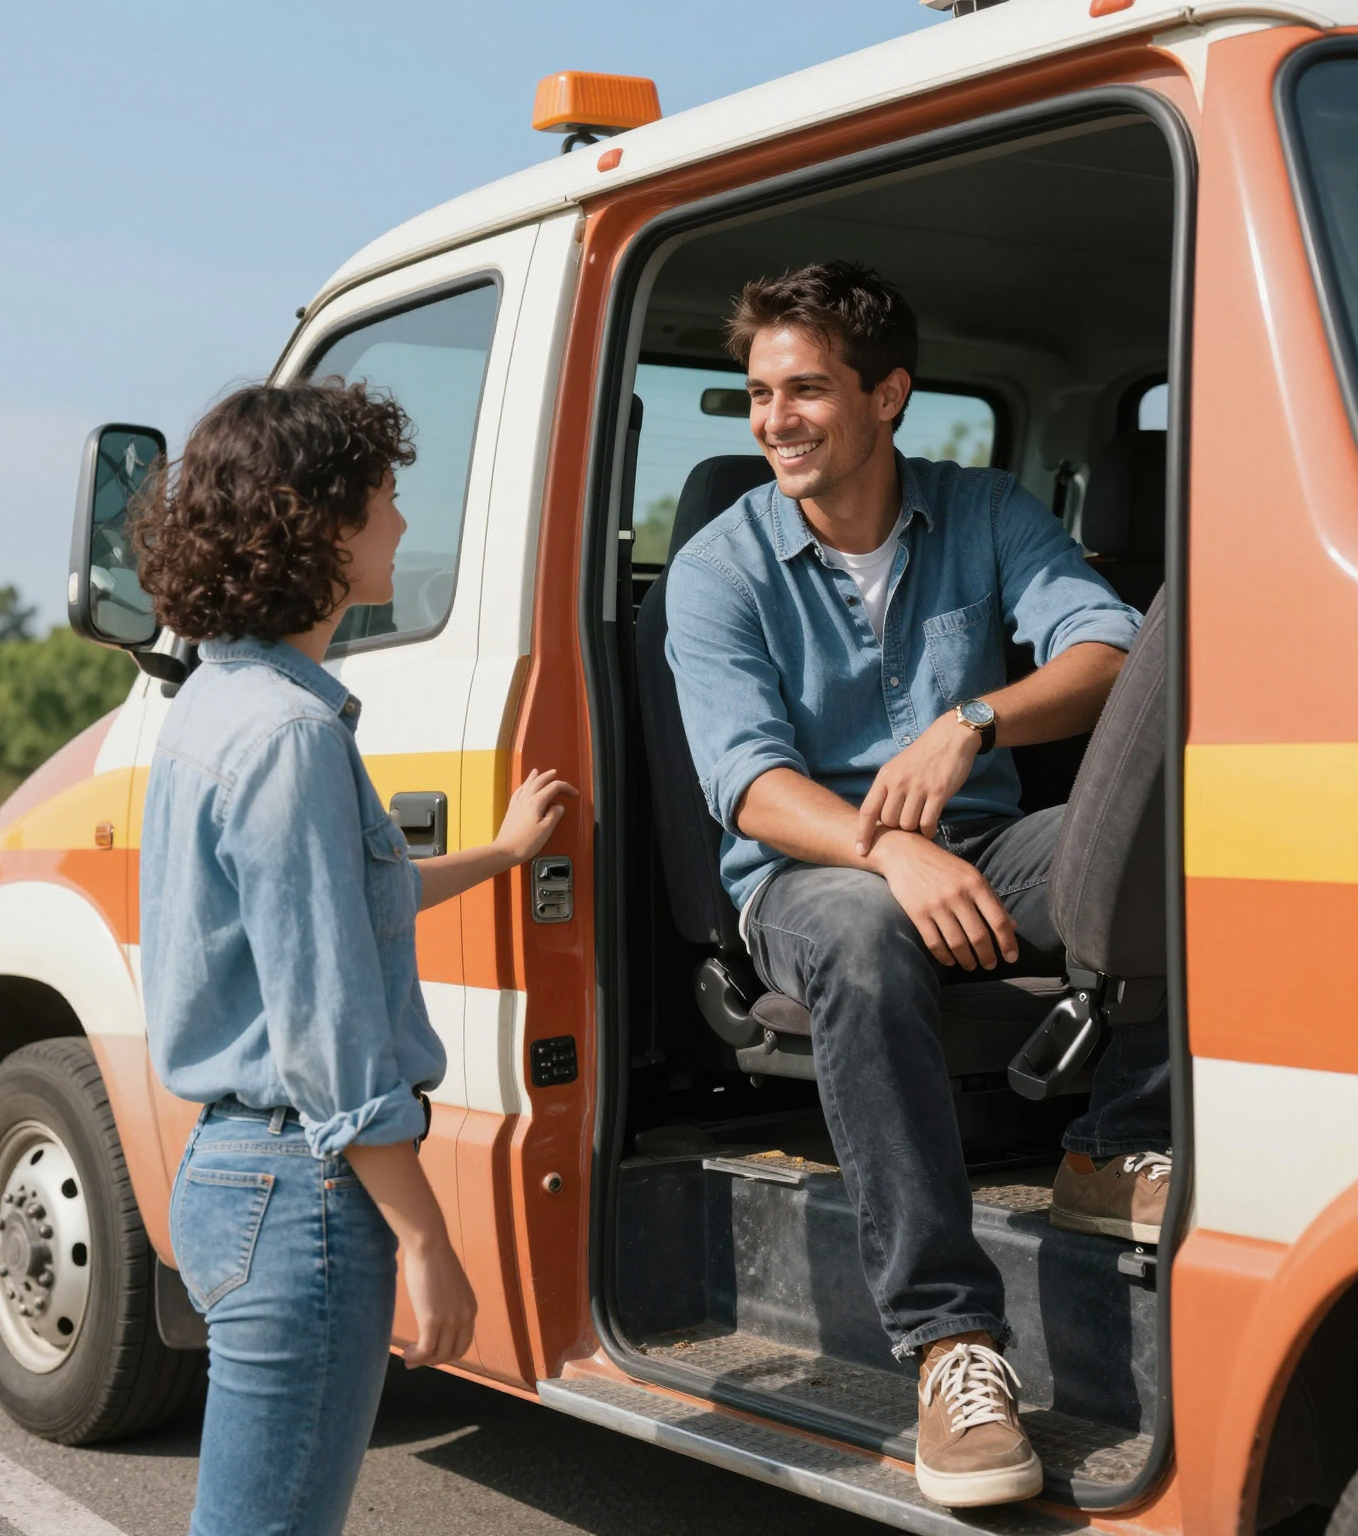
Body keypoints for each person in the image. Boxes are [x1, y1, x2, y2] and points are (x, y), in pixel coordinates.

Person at [663, 262, 1171, 1509]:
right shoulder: (720, 567)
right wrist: (887, 847)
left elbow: (1109, 646)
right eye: (760, 393)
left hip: (982, 845)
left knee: (1184, 836)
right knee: (861, 932)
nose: (775, 418)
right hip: (802, 876)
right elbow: (746, 785)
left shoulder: (984, 509)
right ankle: (953, 1345)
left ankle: (1115, 1147)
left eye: (808, 391)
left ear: (888, 396)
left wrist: (973, 720)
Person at [133, 381, 576, 1536]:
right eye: (384, 498)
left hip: (238, 1173)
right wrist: (429, 1240)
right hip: (303, 1197)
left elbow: (342, 904)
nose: (401, 523)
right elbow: (329, 1025)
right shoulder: (290, 736)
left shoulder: (221, 700)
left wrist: (500, 853)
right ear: (318, 523)